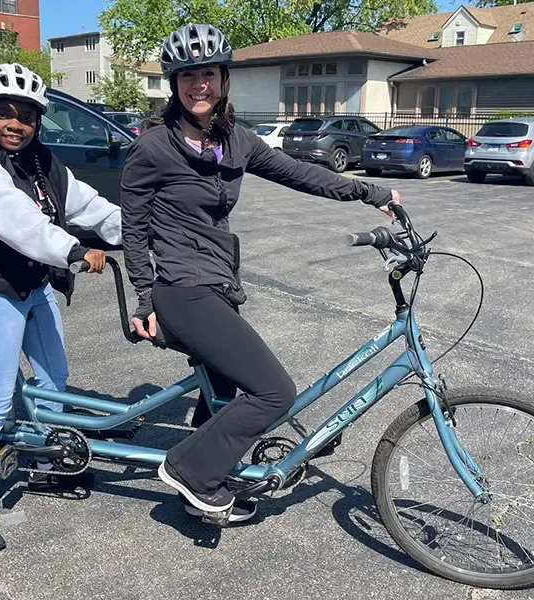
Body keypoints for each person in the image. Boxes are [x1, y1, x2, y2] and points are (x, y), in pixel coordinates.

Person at [120, 24, 400, 523]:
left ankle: (207, 483)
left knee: (222, 390)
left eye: (207, 73)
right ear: (173, 84)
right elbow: (134, 228)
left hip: (218, 285)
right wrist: (143, 298)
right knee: (275, 392)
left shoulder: (236, 140)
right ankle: (190, 470)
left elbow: (298, 172)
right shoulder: (154, 147)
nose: (198, 84)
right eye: (187, 76)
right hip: (181, 290)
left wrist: (366, 191)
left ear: (223, 80)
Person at [0, 63, 122, 554]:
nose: (15, 123)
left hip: (31, 284)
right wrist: (73, 251)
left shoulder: (41, 161)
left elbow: (92, 207)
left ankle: (44, 460)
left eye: (26, 115)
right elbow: (16, 220)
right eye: (4, 112)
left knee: (54, 381)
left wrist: (148, 235)